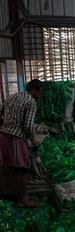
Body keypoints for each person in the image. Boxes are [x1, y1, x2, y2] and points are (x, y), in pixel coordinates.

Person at [0, 79, 43, 208]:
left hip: (3, 136)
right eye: (40, 92)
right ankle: (23, 199)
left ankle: (18, 196)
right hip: (16, 138)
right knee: (22, 169)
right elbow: (28, 126)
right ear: (34, 90)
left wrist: (5, 127)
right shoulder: (30, 101)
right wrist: (34, 142)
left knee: (14, 168)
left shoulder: (12, 97)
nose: (40, 95)